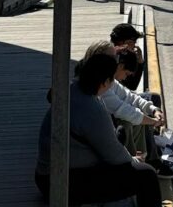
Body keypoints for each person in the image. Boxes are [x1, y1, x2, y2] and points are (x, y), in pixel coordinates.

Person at [34, 53, 162, 207]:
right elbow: (115, 157)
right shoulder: (90, 107)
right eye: (111, 81)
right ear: (105, 82)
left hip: (50, 173)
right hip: (58, 181)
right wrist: (135, 160)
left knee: (120, 133)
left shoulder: (73, 88)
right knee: (147, 176)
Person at [111, 23, 146, 92]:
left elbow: (132, 86)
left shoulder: (123, 56)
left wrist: (140, 62)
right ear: (121, 42)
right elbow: (131, 87)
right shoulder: (115, 60)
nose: (134, 45)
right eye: (131, 42)